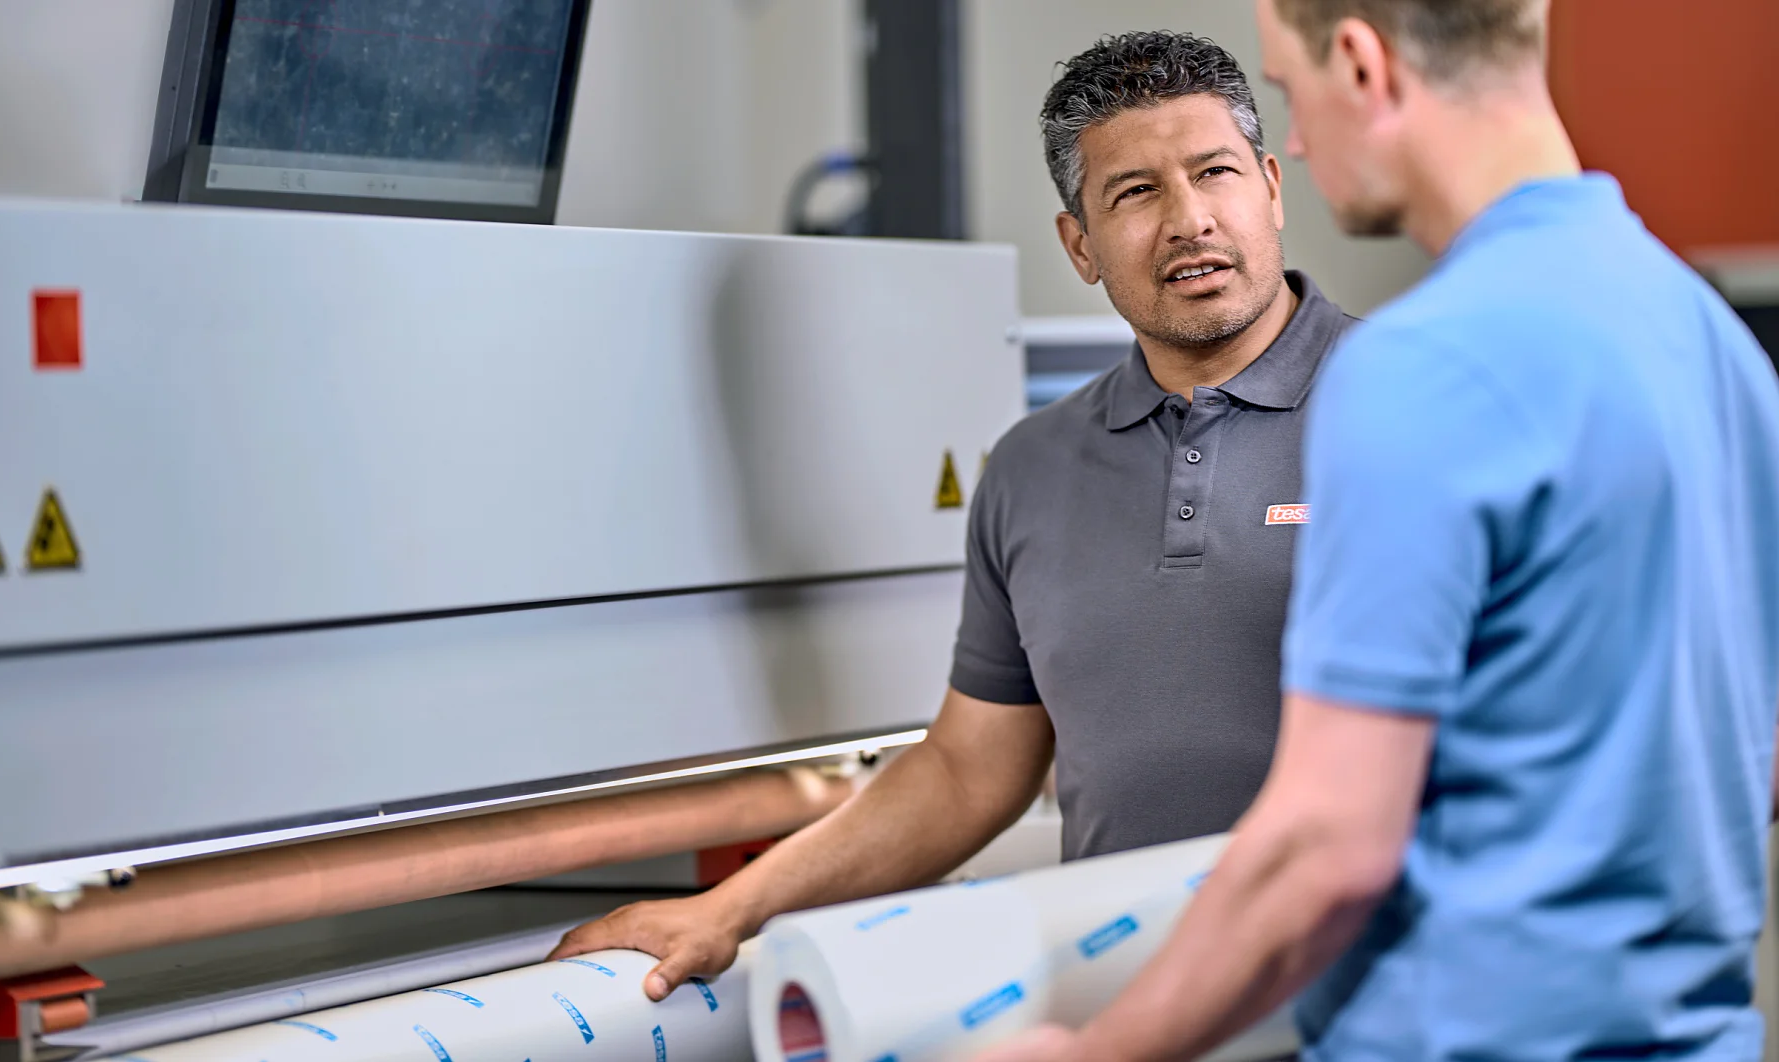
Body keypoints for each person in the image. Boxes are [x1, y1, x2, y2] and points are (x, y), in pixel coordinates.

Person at [978, 1, 1779, 1061]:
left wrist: (1095, 1051)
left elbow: (1331, 845)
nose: (1296, 142)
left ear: (1358, 64)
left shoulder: (1417, 368)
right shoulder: (1711, 339)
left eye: (1290, 94)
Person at [550, 31, 1358, 1000]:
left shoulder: (1415, 404)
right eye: (1134, 193)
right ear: (1079, 245)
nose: (1188, 220)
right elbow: (969, 770)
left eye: (1213, 173)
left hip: (1381, 1008)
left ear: (1270, 188)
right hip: (1136, 1009)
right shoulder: (1033, 468)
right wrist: (728, 909)